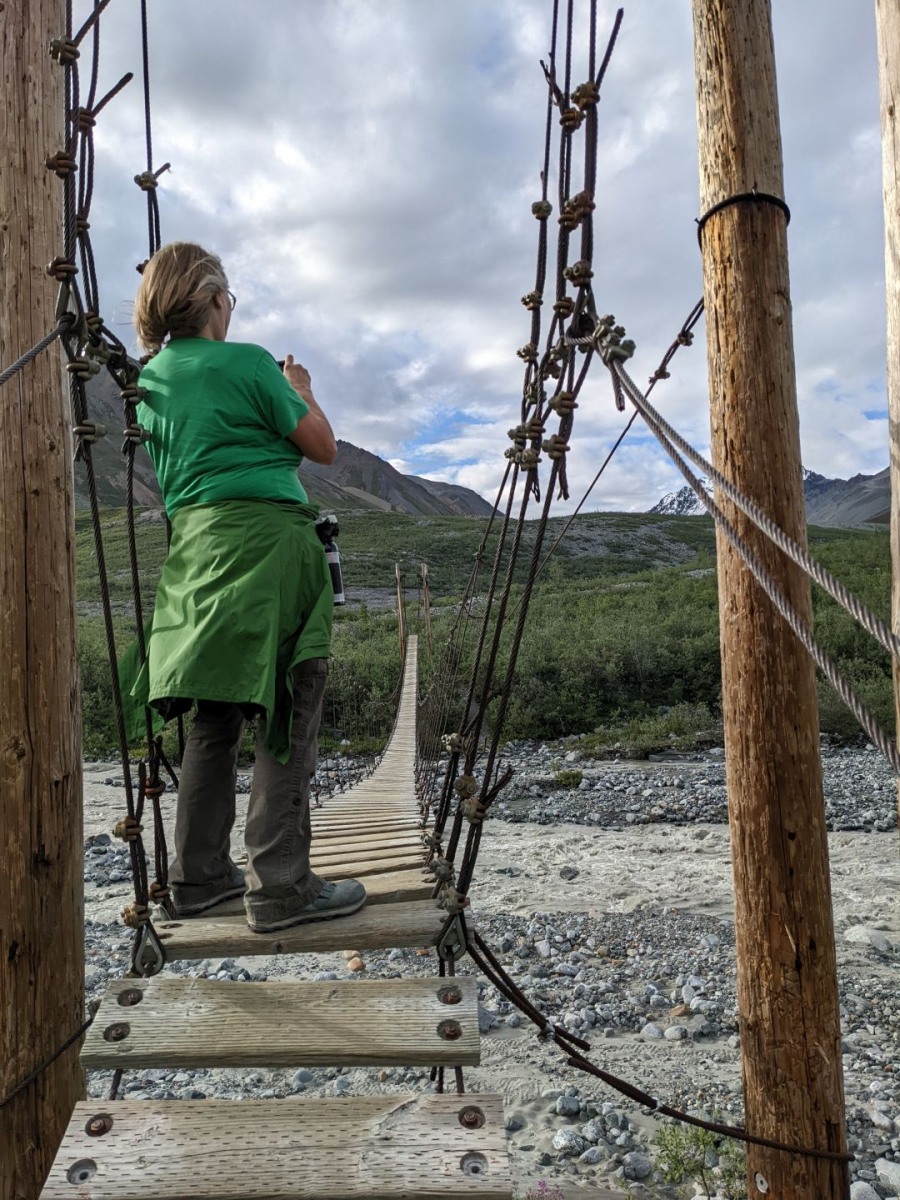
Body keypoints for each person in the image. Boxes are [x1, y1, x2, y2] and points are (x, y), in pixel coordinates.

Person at [129, 240, 366, 933]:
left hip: (195, 560)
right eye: (228, 298)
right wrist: (302, 389)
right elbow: (322, 447)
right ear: (212, 300)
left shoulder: (150, 382)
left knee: (214, 713)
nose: (230, 310)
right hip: (269, 550)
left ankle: (198, 878)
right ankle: (281, 886)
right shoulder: (251, 363)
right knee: (288, 705)